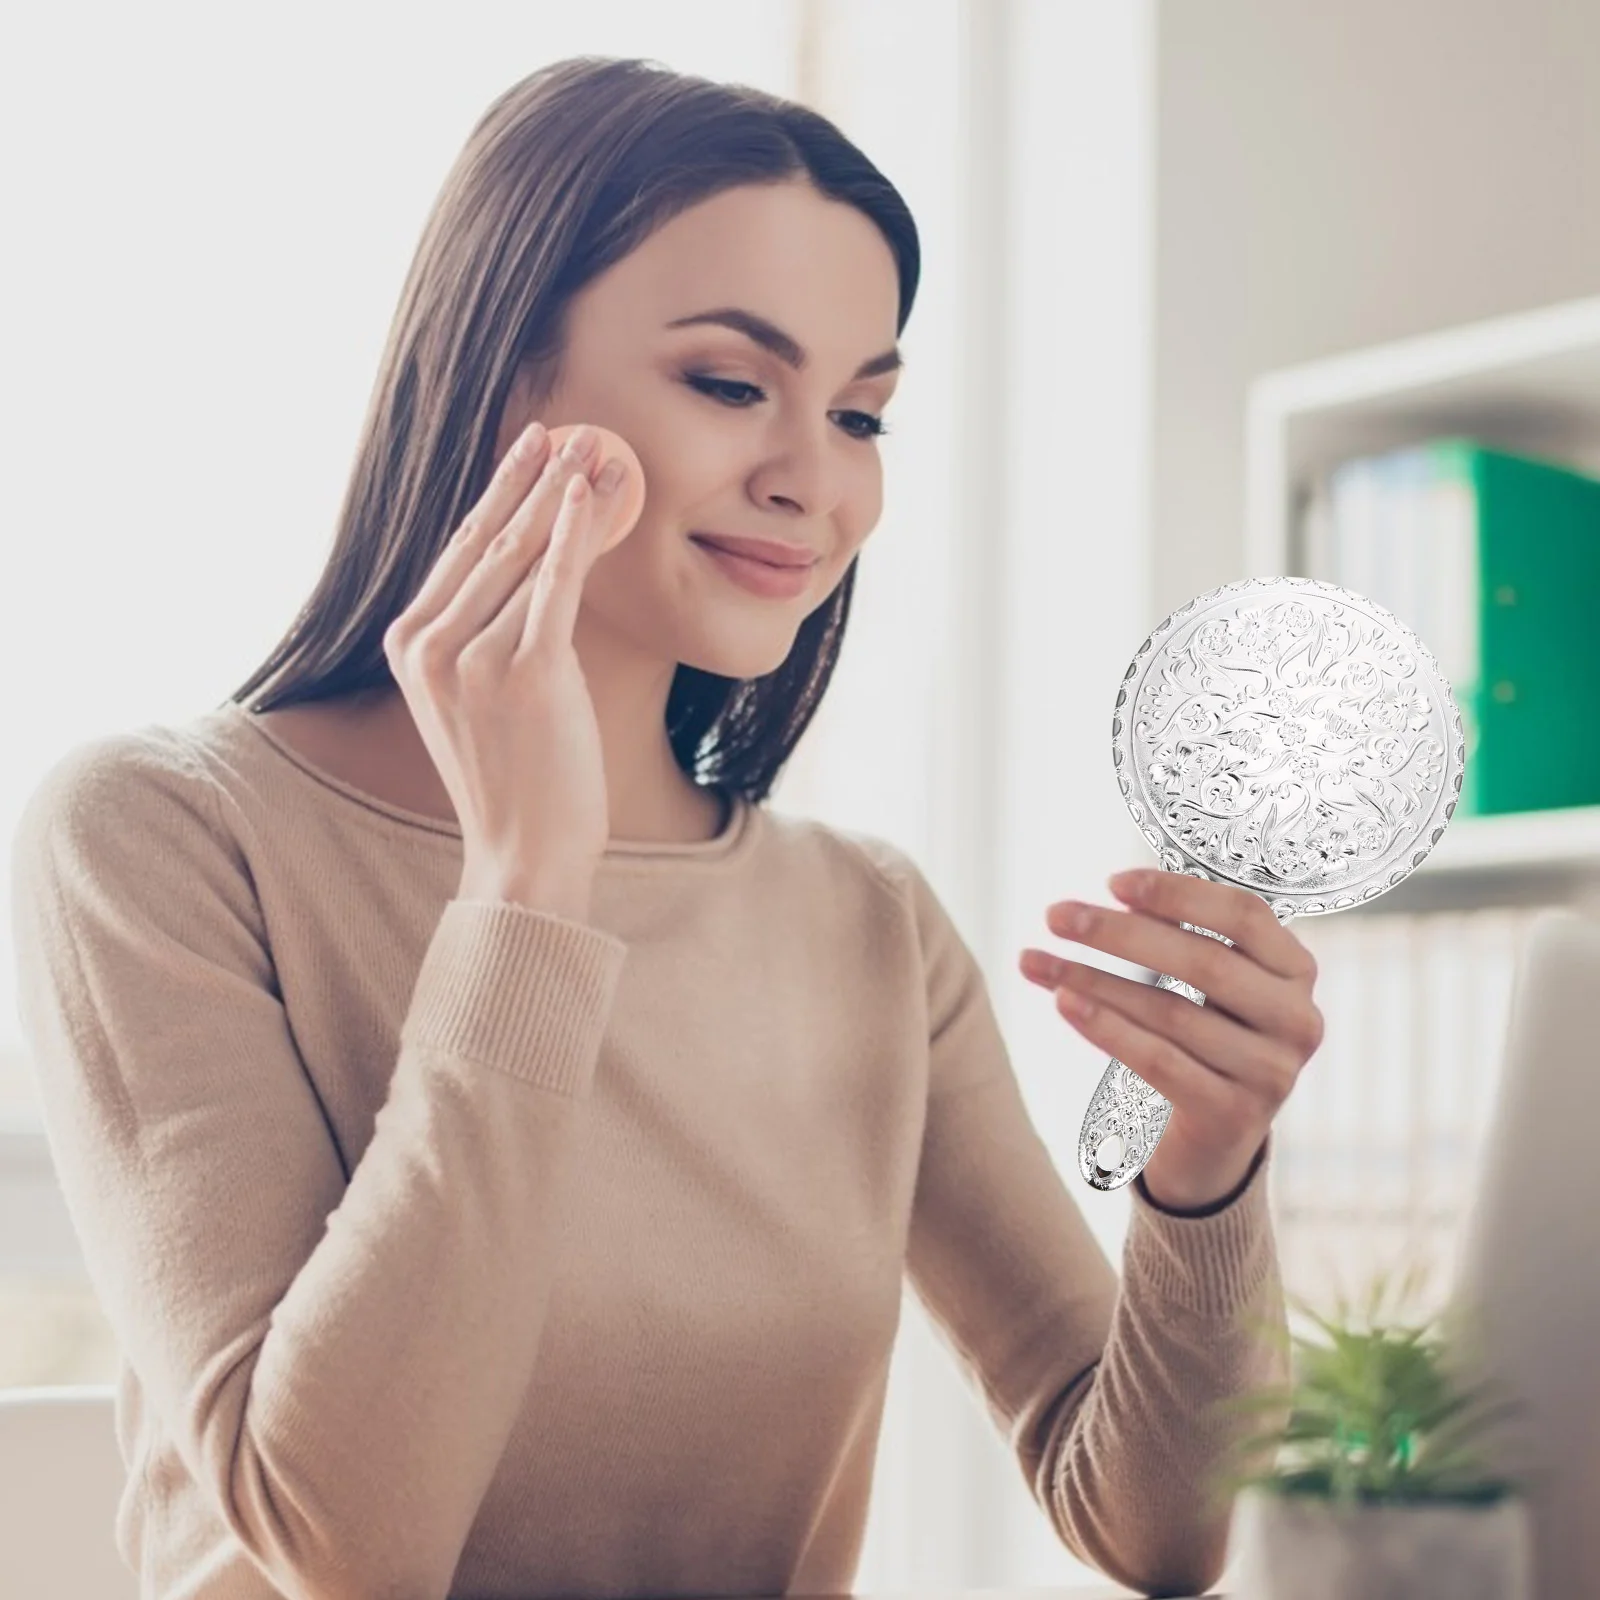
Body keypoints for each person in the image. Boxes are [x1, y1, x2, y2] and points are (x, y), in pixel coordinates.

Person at [9, 54, 1323, 1600]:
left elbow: (1156, 1531)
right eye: (728, 385)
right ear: (505, 375)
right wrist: (525, 900)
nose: (812, 483)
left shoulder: (868, 925)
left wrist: (1208, 1168)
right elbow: (349, 1547)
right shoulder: (163, 835)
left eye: (861, 415)